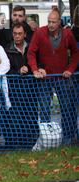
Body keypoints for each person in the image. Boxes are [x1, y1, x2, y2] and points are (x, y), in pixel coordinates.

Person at [27, 9, 79, 144]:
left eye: (53, 22)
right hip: (45, 79)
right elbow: (31, 53)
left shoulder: (67, 34)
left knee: (67, 109)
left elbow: (75, 53)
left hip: (63, 78)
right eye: (49, 21)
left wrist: (70, 69)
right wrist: (35, 69)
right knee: (44, 110)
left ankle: (67, 139)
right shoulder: (40, 33)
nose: (50, 24)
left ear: (59, 22)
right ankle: (46, 140)